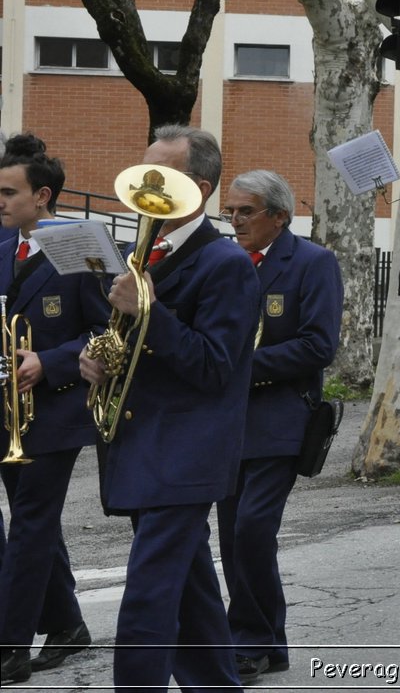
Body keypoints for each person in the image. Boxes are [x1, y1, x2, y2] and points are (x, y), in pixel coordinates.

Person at [79, 126, 260, 692]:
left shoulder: (225, 263)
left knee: (148, 595)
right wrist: (99, 358)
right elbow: (138, 348)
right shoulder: (143, 256)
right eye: (145, 174)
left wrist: (149, 312)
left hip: (187, 453)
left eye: (162, 180)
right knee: (191, 590)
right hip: (143, 446)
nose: (146, 190)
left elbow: (215, 365)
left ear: (200, 188)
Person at [216, 170, 342, 683]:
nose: (235, 220)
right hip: (225, 421)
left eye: (246, 211)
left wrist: (241, 366)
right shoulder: (225, 263)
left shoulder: (312, 262)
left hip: (281, 417)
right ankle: (269, 641)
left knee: (251, 531)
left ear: (279, 216)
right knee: (230, 538)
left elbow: (318, 345)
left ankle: (248, 637)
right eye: (230, 211)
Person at [0, 135, 106, 685]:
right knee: (33, 526)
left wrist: (52, 360)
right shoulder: (2, 247)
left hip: (56, 411)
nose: (0, 201)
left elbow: (108, 331)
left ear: (41, 196)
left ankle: (9, 644)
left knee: (32, 525)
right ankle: (66, 624)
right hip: (6, 407)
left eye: (9, 192)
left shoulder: (80, 245)